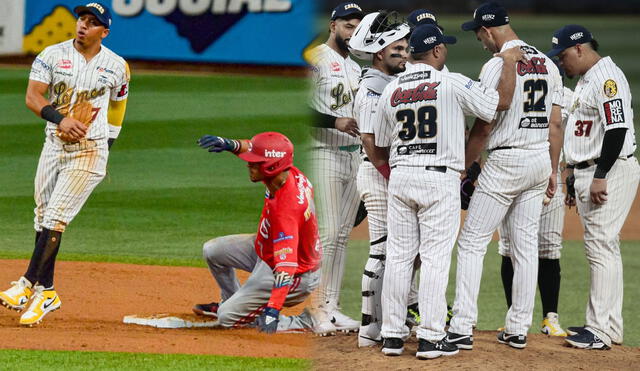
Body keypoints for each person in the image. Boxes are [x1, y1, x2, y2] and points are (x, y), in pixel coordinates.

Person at [372, 24, 524, 359]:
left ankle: (393, 336)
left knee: (398, 258)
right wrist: (510, 62)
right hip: (438, 179)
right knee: (434, 259)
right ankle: (430, 337)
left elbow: (380, 142)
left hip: (400, 177)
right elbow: (498, 104)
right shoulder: (450, 81)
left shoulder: (392, 88)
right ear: (437, 51)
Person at [0, 2, 129, 326]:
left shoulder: (117, 66)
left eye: (92, 21)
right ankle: (48, 292)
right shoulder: (52, 55)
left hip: (90, 151)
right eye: (81, 19)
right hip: (53, 145)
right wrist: (60, 119)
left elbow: (117, 107)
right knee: (43, 218)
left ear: (105, 31)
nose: (83, 25)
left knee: (55, 217)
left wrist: (106, 145)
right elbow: (33, 97)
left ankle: (27, 283)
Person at [447, 1, 564, 350]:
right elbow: (556, 123)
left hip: (505, 163)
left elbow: (484, 125)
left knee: (472, 242)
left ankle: (462, 326)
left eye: (479, 34)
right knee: (525, 245)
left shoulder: (496, 65)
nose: (480, 41)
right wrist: (553, 169)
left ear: (488, 30)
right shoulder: (548, 64)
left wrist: (464, 167)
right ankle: (517, 329)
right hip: (539, 159)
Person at [546, 24, 639, 350]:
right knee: (604, 247)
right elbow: (583, 130)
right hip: (590, 170)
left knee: (599, 246)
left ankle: (598, 330)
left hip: (609, 170)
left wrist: (600, 174)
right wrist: (572, 173)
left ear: (581, 48)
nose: (561, 63)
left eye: (563, 56)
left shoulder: (607, 78)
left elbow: (616, 129)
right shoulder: (587, 80)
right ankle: (609, 328)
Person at [193, 132, 323, 333]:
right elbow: (254, 149)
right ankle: (234, 300)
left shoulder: (286, 209)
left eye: (255, 163)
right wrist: (229, 144)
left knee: (227, 318)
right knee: (213, 250)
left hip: (296, 274)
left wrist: (273, 309)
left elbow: (285, 268)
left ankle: (306, 321)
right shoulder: (284, 173)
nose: (248, 165)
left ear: (272, 166)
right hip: (268, 250)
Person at [347, 10, 411, 347]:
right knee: (383, 250)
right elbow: (373, 147)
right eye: (397, 49)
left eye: (405, 47)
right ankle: (370, 328)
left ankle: (391, 318)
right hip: (377, 174)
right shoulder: (373, 89)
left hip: (386, 174)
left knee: (397, 250)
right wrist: (395, 179)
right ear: (378, 54)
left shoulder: (387, 82)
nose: (404, 53)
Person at [497, 62, 573, 337]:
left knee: (549, 248)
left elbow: (565, 134)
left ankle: (550, 318)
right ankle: (513, 316)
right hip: (523, 172)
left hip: (551, 175)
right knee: (508, 247)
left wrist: (565, 171)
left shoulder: (569, 99)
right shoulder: (518, 93)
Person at [307, 2, 364, 333]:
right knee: (327, 233)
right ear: (333, 26)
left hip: (353, 156)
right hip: (323, 152)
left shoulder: (355, 68)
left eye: (357, 26)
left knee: (342, 235)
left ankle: (331, 307)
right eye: (347, 25)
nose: (352, 30)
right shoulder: (316, 60)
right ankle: (316, 308)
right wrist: (334, 120)